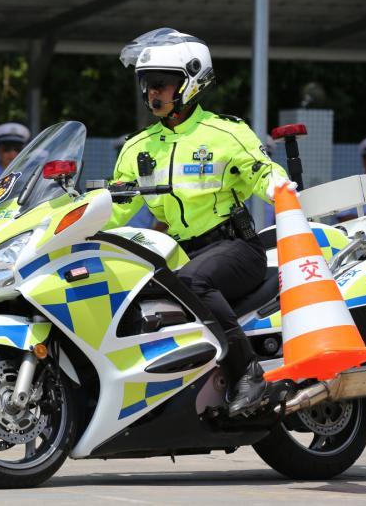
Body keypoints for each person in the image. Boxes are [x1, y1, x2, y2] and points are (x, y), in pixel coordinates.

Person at [109, 28, 292, 415]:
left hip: (235, 247)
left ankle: (248, 372)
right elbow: (116, 205)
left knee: (193, 281)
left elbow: (261, 172)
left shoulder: (226, 132)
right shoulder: (137, 147)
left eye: (160, 83)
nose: (151, 93)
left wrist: (278, 186)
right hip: (178, 252)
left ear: (190, 82)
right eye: (146, 84)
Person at [112, 134, 155, 229]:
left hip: (141, 239)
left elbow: (163, 218)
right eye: (120, 152)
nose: (123, 156)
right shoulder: (108, 182)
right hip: (113, 239)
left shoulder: (151, 182)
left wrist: (152, 234)